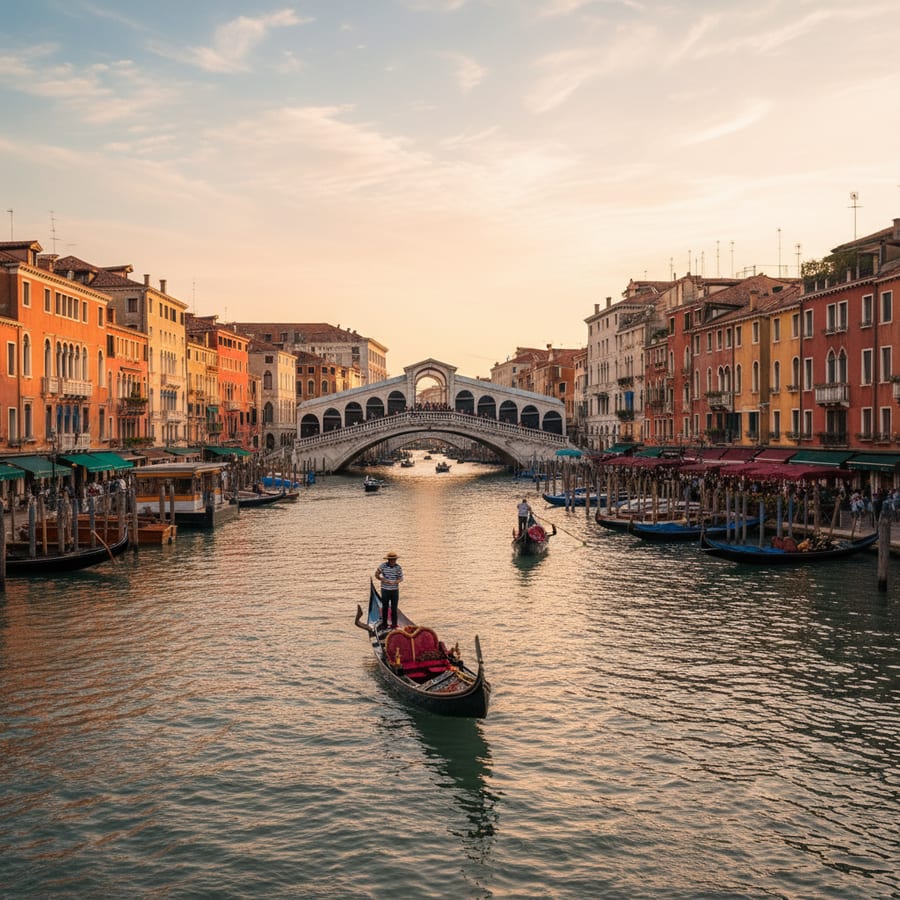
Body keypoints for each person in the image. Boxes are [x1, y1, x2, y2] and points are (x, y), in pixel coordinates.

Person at [374, 551, 403, 630]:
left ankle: (394, 625)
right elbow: (376, 574)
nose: (393, 561)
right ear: (389, 560)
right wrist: (382, 579)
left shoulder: (398, 567)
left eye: (394, 559)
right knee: (385, 607)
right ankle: (384, 624)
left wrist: (395, 582)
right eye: (392, 560)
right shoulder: (383, 566)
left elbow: (401, 578)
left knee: (394, 608)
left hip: (394, 591)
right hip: (385, 590)